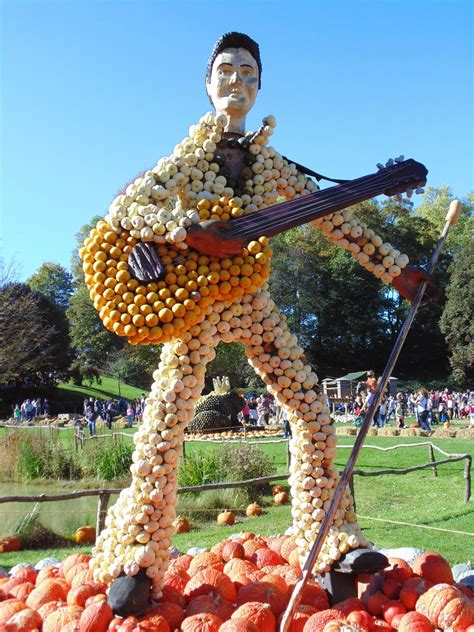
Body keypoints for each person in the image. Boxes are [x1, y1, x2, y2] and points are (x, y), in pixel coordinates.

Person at [86, 32, 434, 597]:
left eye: (248, 74)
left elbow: (334, 221)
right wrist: (186, 232)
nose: (237, 82)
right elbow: (126, 207)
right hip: (193, 305)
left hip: (250, 303)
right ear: (207, 84)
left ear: (260, 87)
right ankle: (135, 558)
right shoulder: (191, 157)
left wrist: (395, 273)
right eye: (226, 71)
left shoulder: (272, 165)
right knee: (164, 426)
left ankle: (333, 544)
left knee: (312, 410)